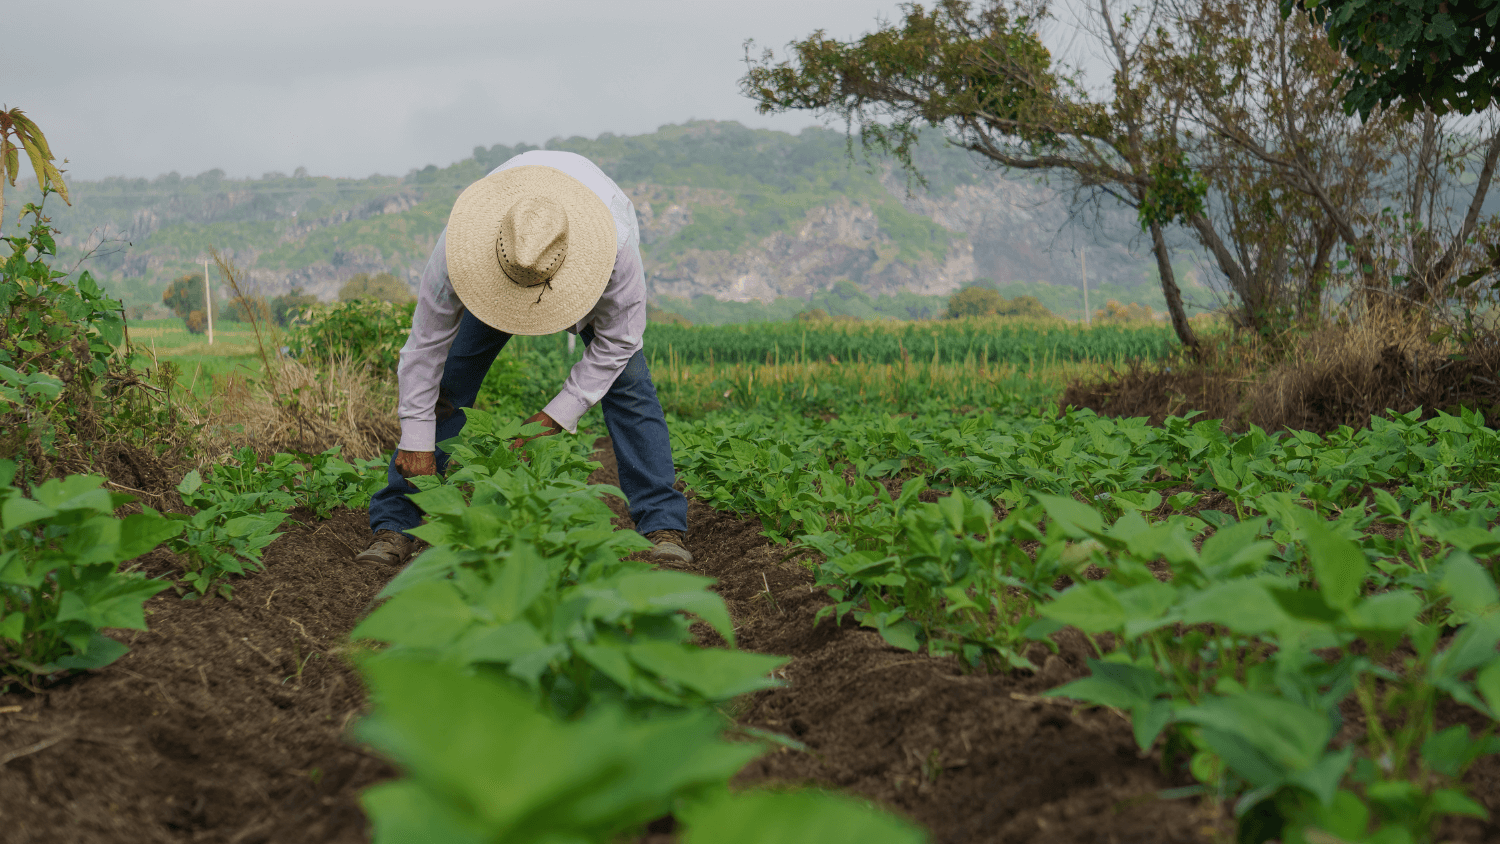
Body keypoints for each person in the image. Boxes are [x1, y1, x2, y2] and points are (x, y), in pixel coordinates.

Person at [355, 150, 691, 566]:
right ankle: (397, 524)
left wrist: (554, 417)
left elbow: (620, 341)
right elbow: (425, 348)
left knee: (631, 388)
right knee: (449, 382)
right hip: (496, 279)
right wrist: (416, 440)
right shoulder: (459, 250)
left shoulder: (614, 248)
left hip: (585, 276)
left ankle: (661, 522)